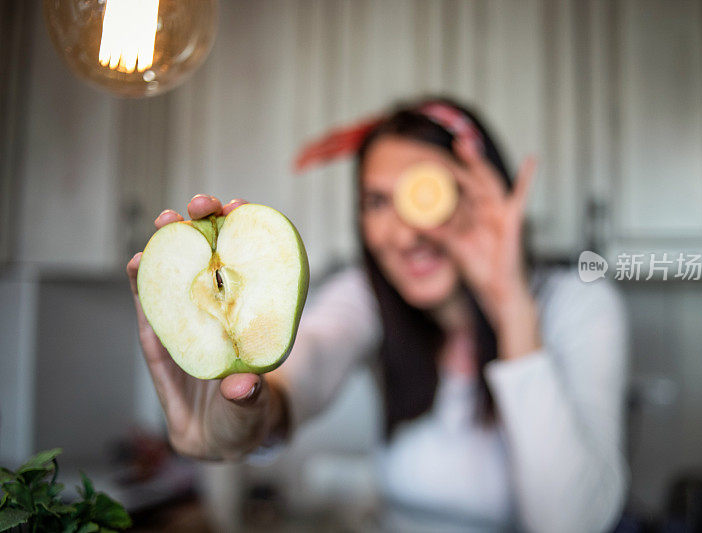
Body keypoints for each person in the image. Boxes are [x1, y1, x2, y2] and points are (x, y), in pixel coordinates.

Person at [126, 97, 629, 532]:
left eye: (427, 194)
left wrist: (511, 301)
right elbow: (314, 352)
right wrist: (247, 418)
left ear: (485, 193)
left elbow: (571, 523)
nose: (405, 233)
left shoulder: (578, 305)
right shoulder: (370, 296)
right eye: (377, 201)